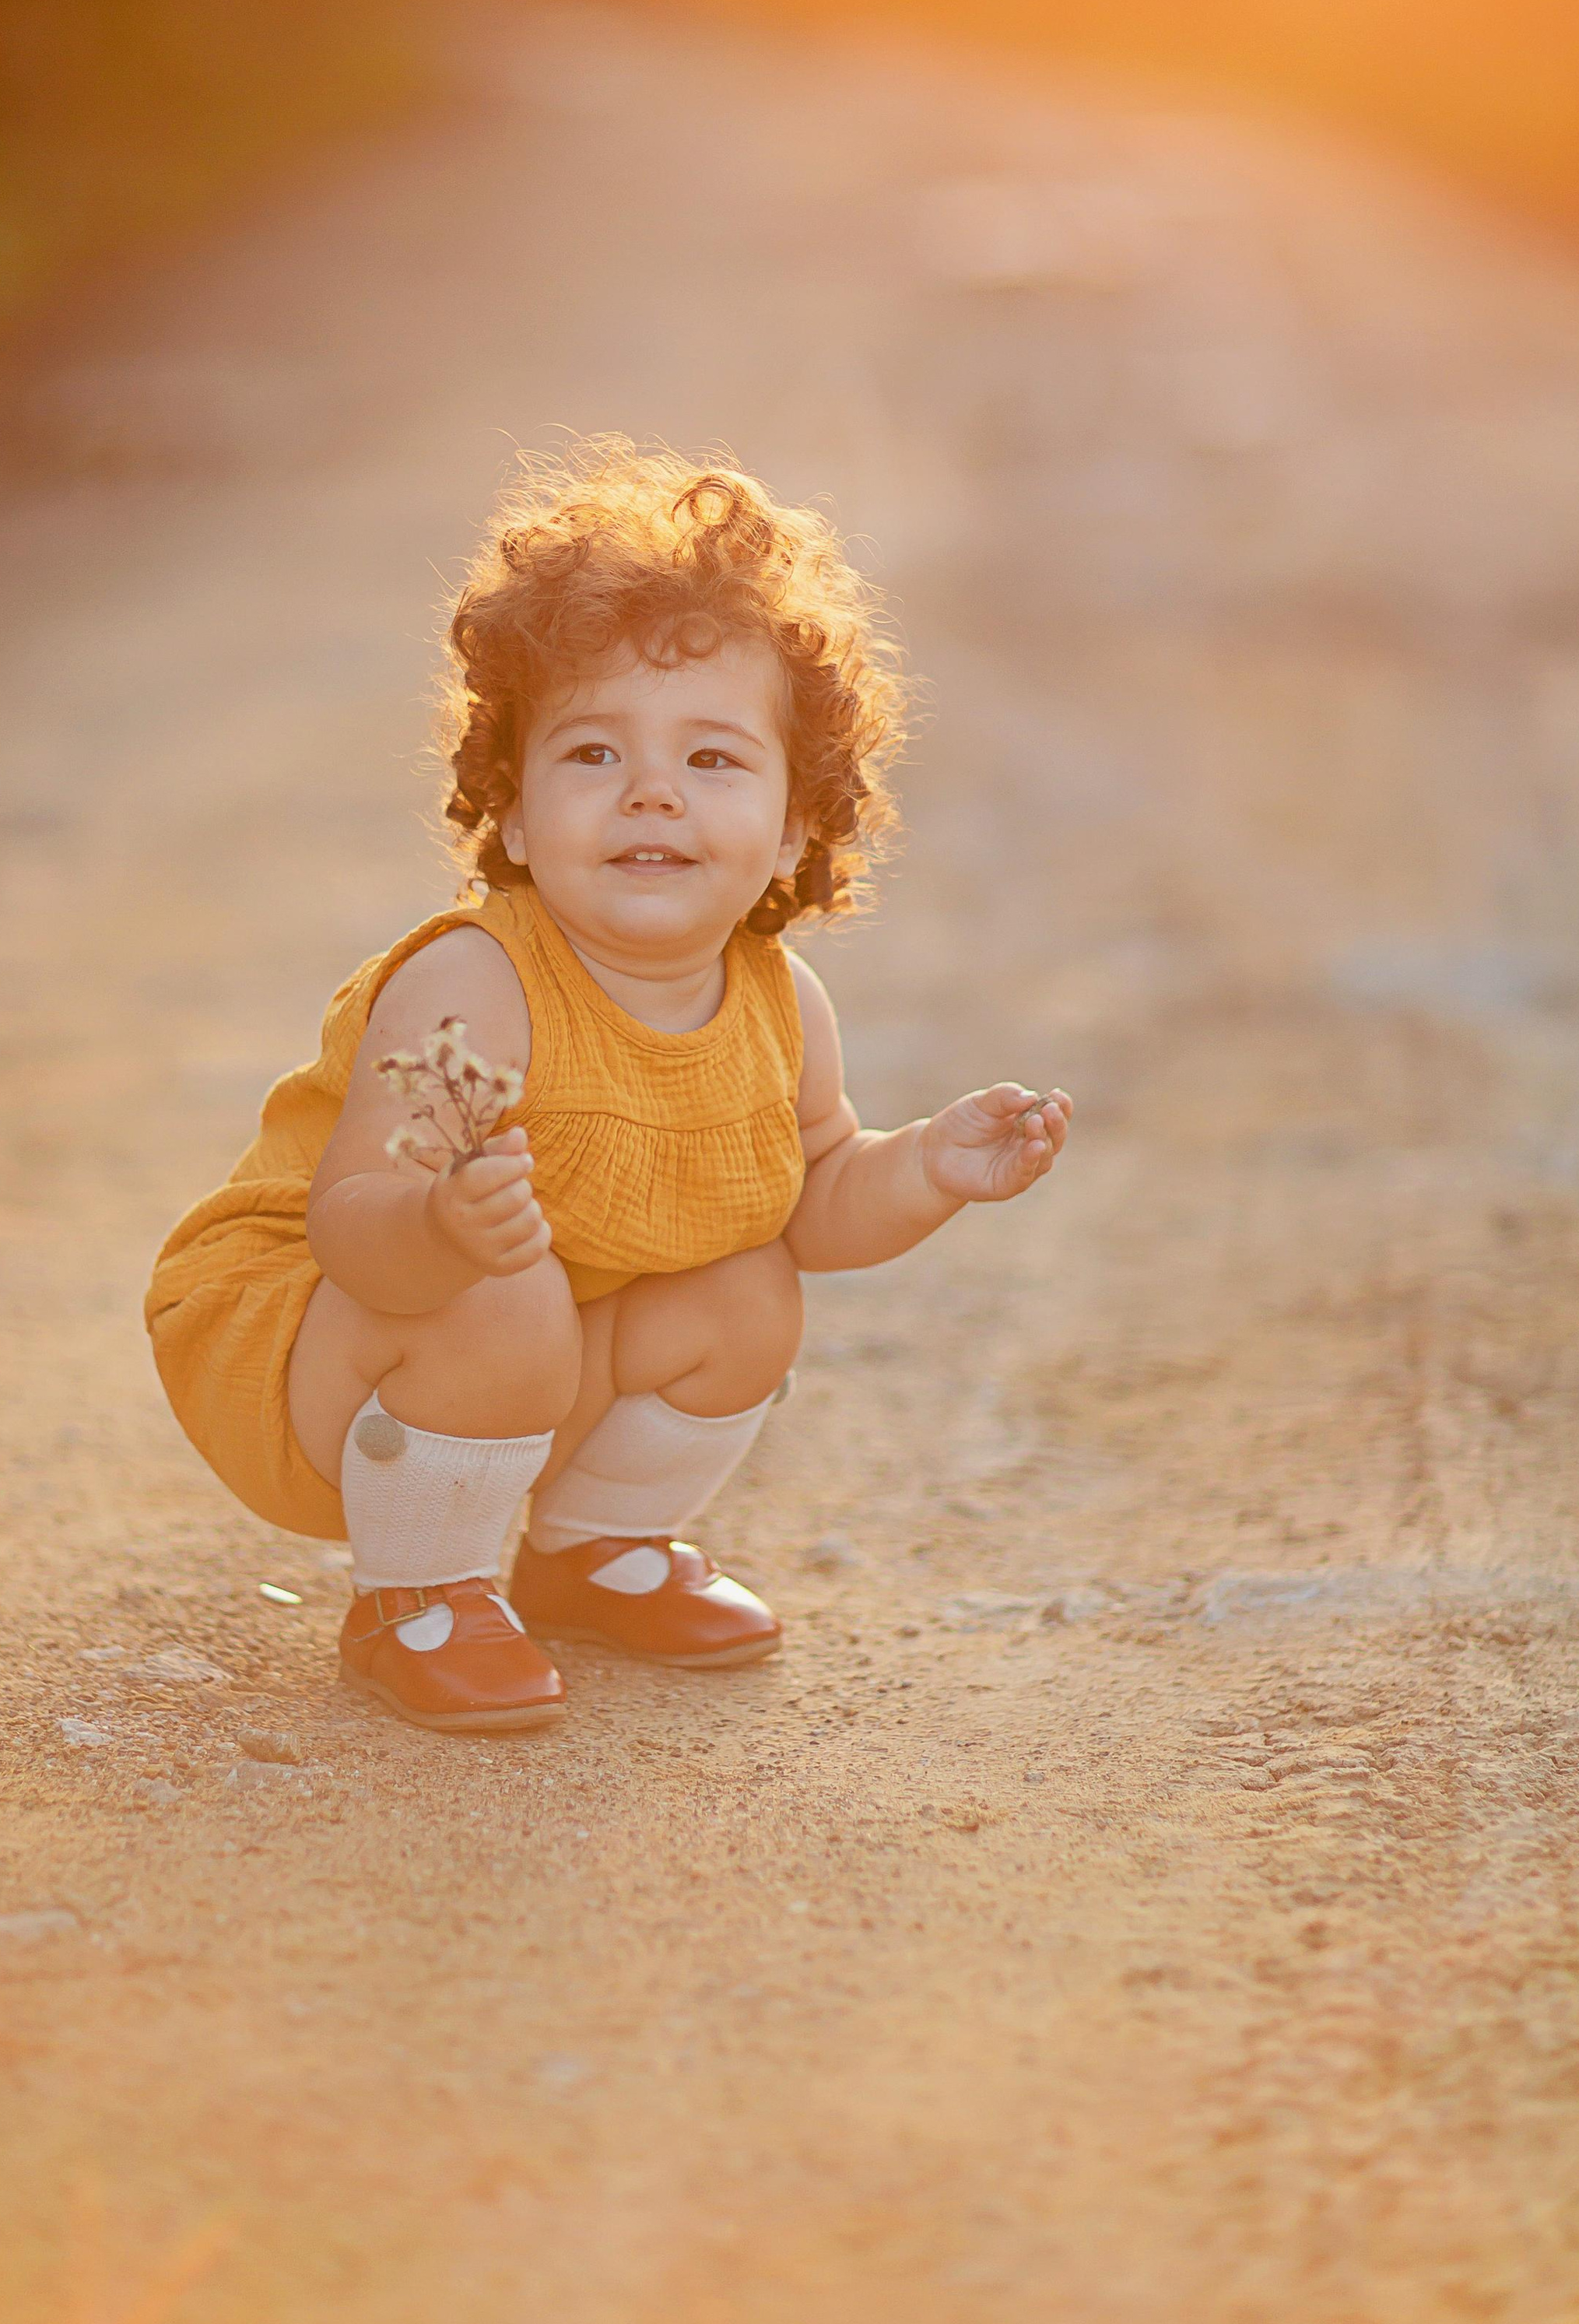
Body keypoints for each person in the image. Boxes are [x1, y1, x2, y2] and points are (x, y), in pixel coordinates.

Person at [146, 441, 1071, 1732]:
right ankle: (416, 1592)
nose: (650, 791)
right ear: (513, 814)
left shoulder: (778, 1001)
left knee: (750, 1284)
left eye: (712, 761)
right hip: (321, 1347)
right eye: (591, 756)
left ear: (799, 824)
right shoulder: (475, 986)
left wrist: (923, 1171)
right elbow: (350, 1219)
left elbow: (812, 1202)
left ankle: (587, 1554)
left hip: (518, 1344)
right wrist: (436, 1226)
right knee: (499, 1282)